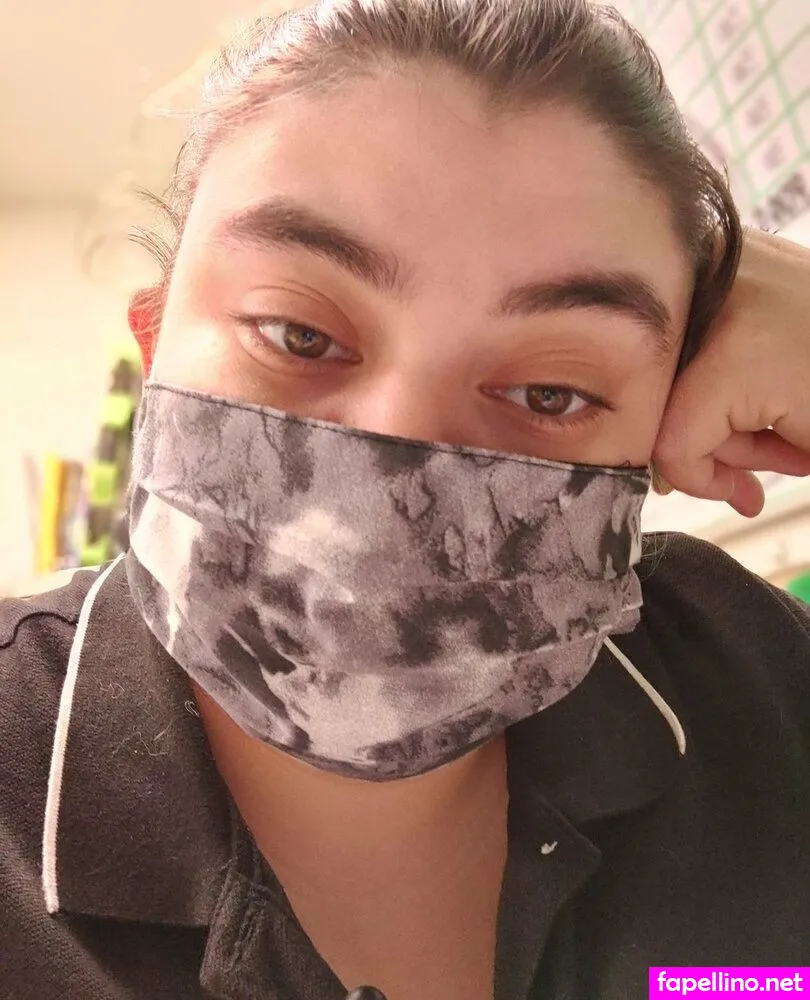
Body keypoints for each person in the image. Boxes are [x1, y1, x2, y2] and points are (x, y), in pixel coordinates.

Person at [2, 1, 810, 998]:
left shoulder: (753, 673)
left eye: (550, 392)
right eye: (299, 335)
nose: (401, 456)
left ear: (657, 429)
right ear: (154, 342)